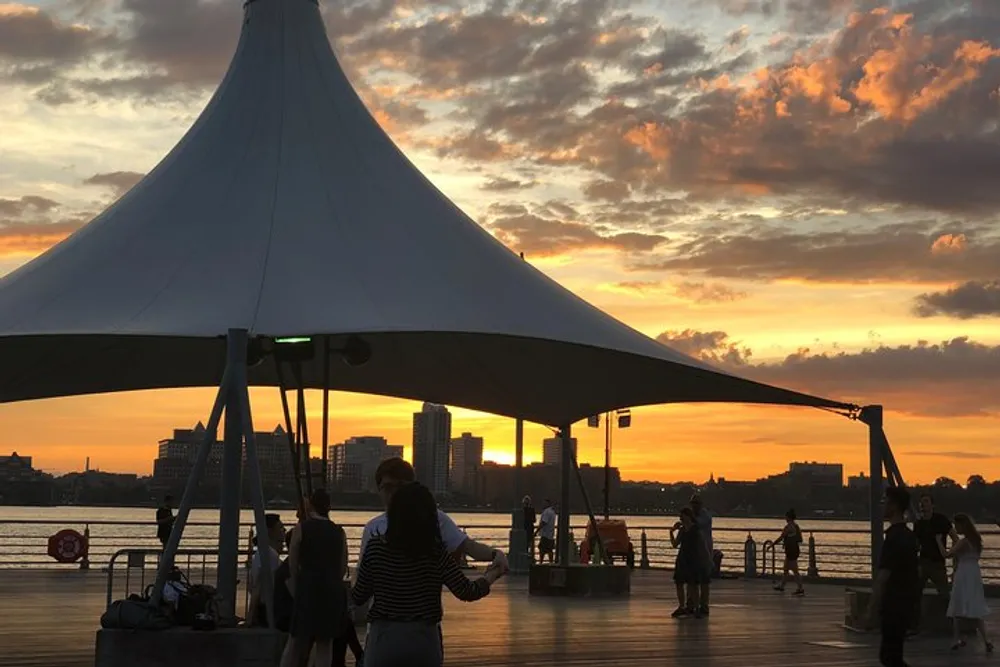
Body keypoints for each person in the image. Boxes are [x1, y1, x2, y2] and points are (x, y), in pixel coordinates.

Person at [351, 482, 501, 667]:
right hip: (423, 641)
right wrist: (492, 574)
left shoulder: (376, 548)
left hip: (384, 639)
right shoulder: (435, 552)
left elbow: (359, 596)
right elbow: (466, 591)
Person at [360, 458, 508, 571]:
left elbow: (467, 546)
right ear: (379, 490)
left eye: (400, 486)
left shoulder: (435, 519)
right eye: (387, 487)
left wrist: (495, 554)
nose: (394, 493)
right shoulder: (372, 528)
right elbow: (363, 576)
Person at [280, 489, 348, 667]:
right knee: (325, 645)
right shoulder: (339, 532)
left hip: (307, 589)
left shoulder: (301, 529)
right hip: (331, 592)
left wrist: (296, 586)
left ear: (311, 505)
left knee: (294, 642)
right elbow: (342, 566)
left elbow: (293, 562)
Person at [864, 486, 919, 667]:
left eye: (884, 502)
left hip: (893, 603)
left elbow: (883, 576)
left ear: (893, 506)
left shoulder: (893, 538)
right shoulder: (909, 536)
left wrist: (872, 608)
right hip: (906, 602)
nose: (881, 506)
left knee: (889, 657)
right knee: (893, 654)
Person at [945, 513, 992, 654]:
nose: (955, 528)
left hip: (964, 573)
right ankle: (986, 640)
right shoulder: (976, 540)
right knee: (974, 607)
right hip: (974, 573)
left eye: (956, 525)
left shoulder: (964, 542)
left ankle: (956, 639)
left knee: (958, 607)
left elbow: (947, 555)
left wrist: (938, 542)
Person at [669, 507, 710, 619]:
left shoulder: (696, 530)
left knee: (693, 585)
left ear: (688, 516)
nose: (681, 518)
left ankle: (696, 607)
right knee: (679, 583)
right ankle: (681, 606)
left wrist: (707, 560)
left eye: (682, 516)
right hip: (682, 559)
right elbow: (675, 544)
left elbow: (702, 546)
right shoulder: (682, 530)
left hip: (693, 559)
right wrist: (671, 532)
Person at [913, 494, 955, 598]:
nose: (923, 504)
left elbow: (955, 538)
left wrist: (952, 555)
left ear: (933, 505)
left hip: (938, 562)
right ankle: (916, 612)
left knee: (944, 592)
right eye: (921, 502)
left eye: (926, 501)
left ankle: (946, 613)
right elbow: (916, 544)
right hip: (923, 562)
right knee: (915, 591)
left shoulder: (941, 519)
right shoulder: (919, 523)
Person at [248, 513, 284, 626]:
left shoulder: (263, 553)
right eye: (281, 528)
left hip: (266, 608)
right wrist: (250, 617)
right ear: (270, 531)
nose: (284, 531)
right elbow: (258, 585)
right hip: (268, 609)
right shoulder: (269, 555)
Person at [773, 509, 805, 596]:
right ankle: (782, 586)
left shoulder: (788, 527)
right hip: (793, 549)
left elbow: (782, 537)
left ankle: (800, 588)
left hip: (791, 550)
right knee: (786, 569)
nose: (785, 518)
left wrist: (773, 544)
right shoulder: (796, 526)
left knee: (794, 570)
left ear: (788, 517)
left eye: (786, 517)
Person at [690, 494, 713, 615]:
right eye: (693, 504)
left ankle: (704, 605)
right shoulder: (694, 515)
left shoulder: (706, 516)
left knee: (704, 580)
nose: (694, 506)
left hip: (704, 551)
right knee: (693, 580)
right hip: (693, 551)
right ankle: (693, 604)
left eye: (696, 504)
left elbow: (697, 524)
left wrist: (688, 517)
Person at [535, 499, 556, 564]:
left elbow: (544, 522)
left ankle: (540, 563)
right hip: (550, 534)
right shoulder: (552, 512)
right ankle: (551, 563)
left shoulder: (546, 512)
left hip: (545, 534)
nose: (543, 504)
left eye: (544, 503)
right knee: (549, 550)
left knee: (542, 549)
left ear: (548, 504)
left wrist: (536, 531)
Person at [522, 496, 536, 562]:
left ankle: (525, 555)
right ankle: (530, 555)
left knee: (524, 544)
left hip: (524, 528)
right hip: (530, 528)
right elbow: (534, 520)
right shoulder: (532, 509)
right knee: (529, 543)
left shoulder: (522, 510)